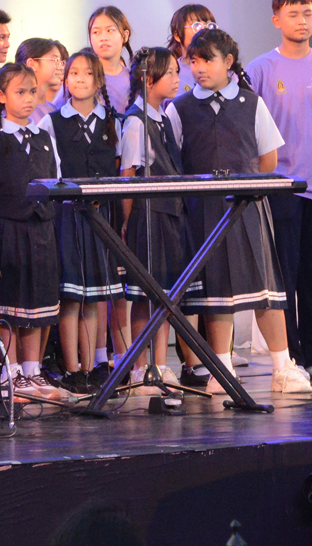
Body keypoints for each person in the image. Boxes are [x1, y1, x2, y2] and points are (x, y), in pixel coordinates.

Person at [172, 28, 310, 394]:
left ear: (228, 62)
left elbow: (269, 157)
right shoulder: (180, 108)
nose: (199, 68)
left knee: (266, 288)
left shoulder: (251, 102)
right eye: (193, 61)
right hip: (203, 209)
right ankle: (222, 369)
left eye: (208, 60)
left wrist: (249, 184)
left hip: (248, 205)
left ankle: (282, 367)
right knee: (216, 291)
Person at [245, 0, 312, 382]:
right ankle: (292, 357)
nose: (301, 21)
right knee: (284, 273)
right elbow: (249, 128)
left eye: (307, 14)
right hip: (280, 185)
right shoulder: (260, 69)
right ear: (276, 20)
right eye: (293, 14)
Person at [0, 62, 61, 396]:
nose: (28, 99)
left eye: (32, 92)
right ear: (1, 96)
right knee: (10, 301)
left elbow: (55, 180)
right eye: (20, 92)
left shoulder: (45, 137)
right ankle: (10, 370)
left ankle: (33, 369)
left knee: (38, 300)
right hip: (7, 229)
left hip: (41, 230)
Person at [118, 47, 188, 383]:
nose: (176, 79)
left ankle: (161, 364)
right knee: (144, 295)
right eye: (170, 73)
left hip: (170, 212)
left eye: (176, 72)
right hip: (148, 215)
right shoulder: (136, 121)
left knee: (165, 296)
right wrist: (126, 222)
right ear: (148, 80)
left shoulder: (164, 117)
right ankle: (138, 366)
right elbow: (128, 174)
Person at [51, 48, 119, 391]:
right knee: (71, 295)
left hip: (100, 215)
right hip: (67, 215)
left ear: (99, 80)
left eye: (88, 73)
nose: (80, 79)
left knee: (94, 295)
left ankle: (92, 366)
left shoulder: (113, 121)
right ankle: (72, 368)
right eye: (74, 73)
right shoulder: (53, 122)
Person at [87, 7, 135, 114]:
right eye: (96, 32)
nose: (103, 38)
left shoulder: (134, 79)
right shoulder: (83, 77)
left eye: (110, 30)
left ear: (125, 36)